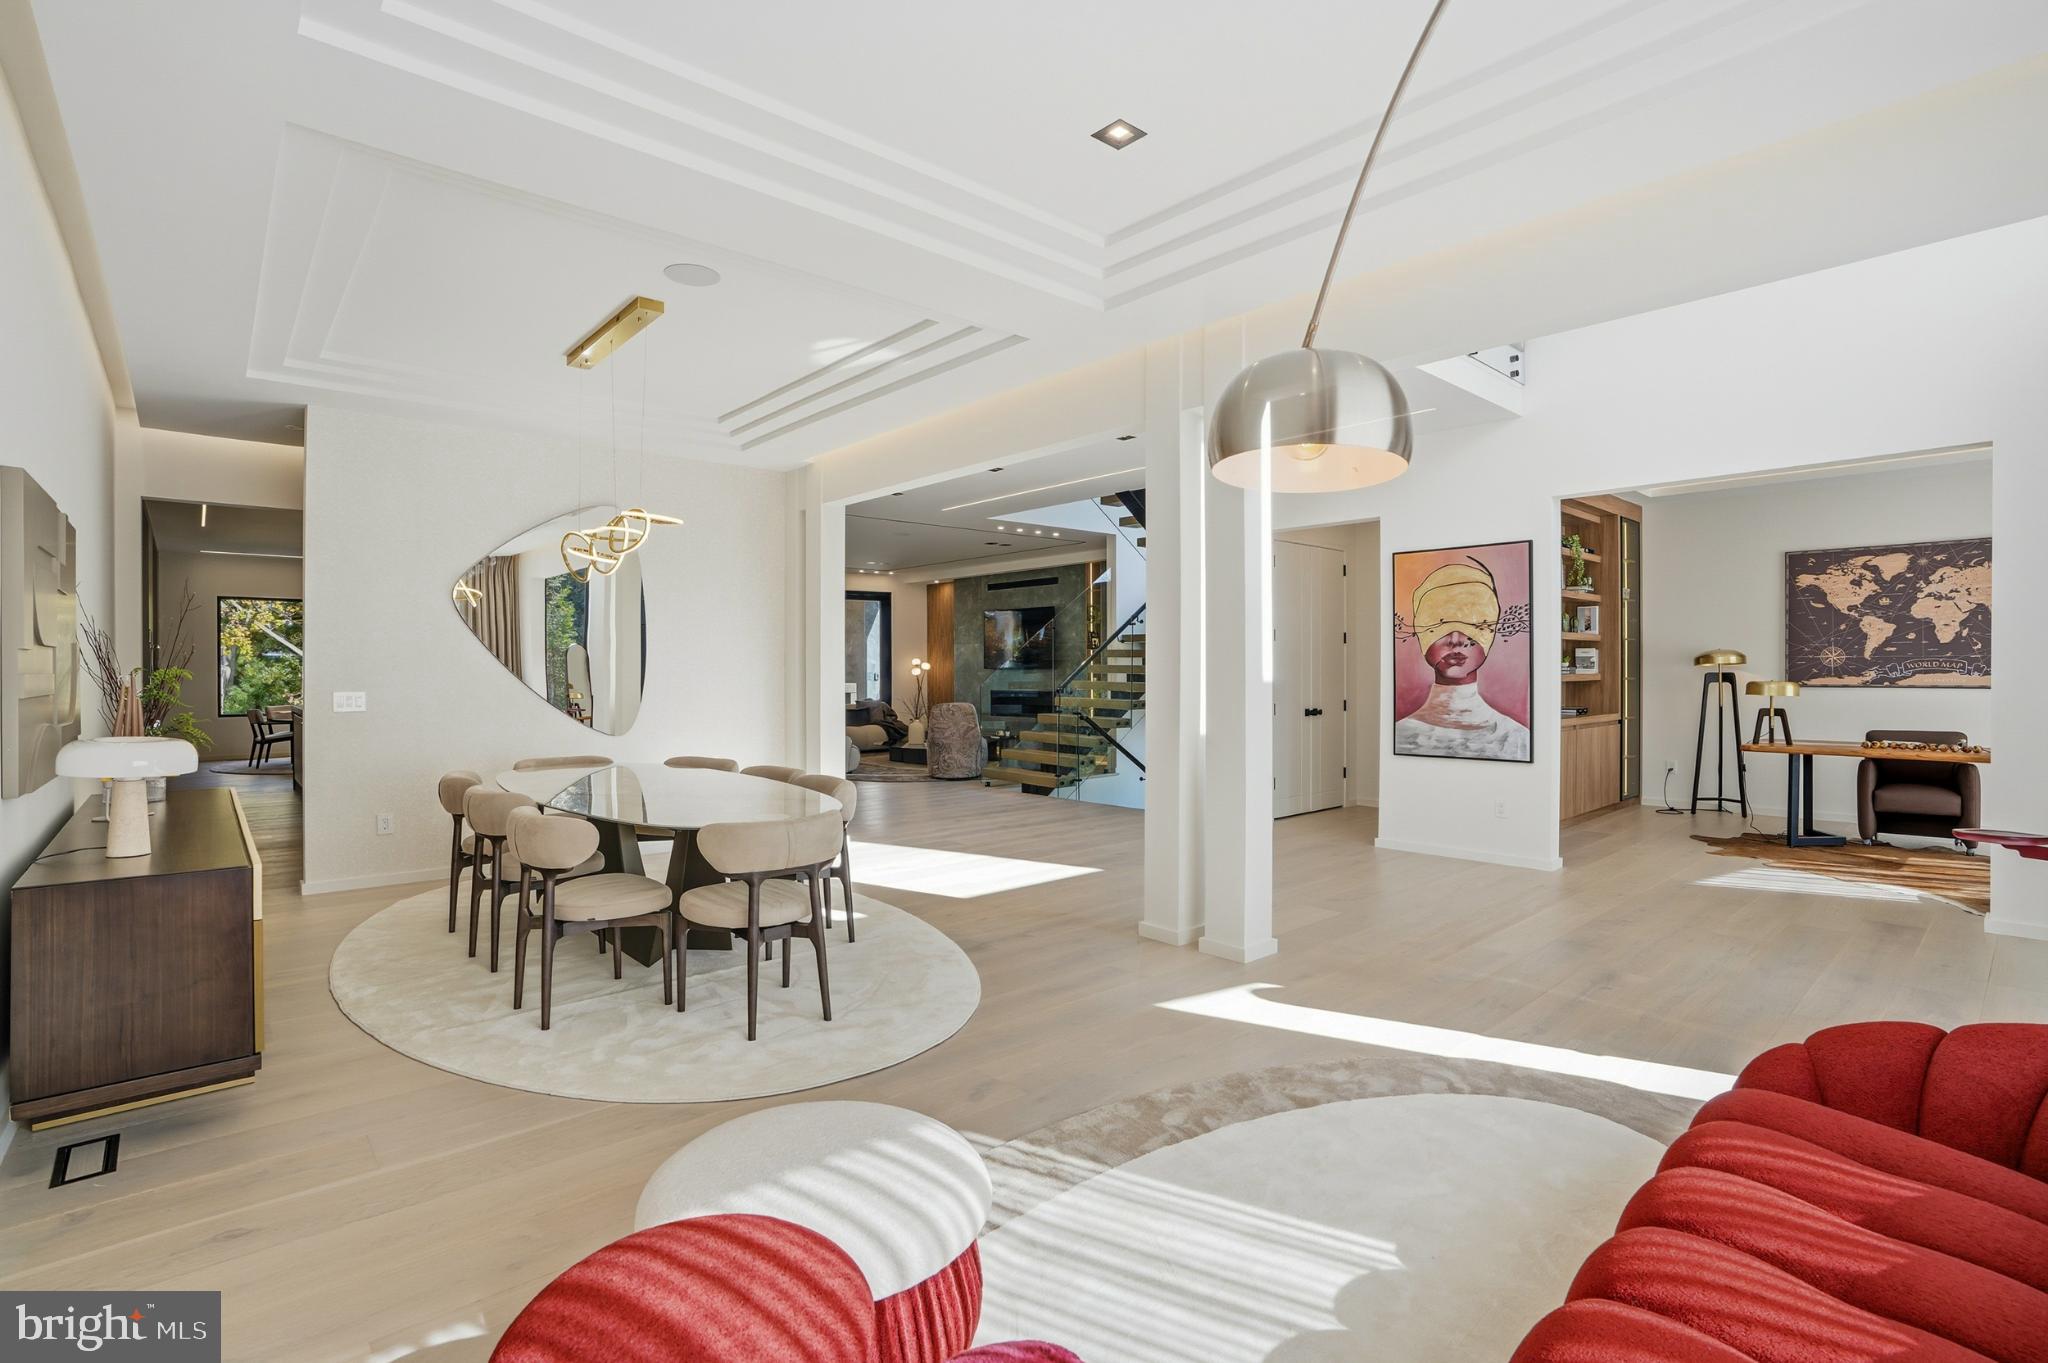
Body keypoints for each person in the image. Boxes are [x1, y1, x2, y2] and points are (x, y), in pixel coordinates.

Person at [1394, 559, 1530, 761]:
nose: (1456, 641)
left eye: (1475, 625)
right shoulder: (1399, 735)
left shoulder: (1518, 739)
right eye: (1437, 625)